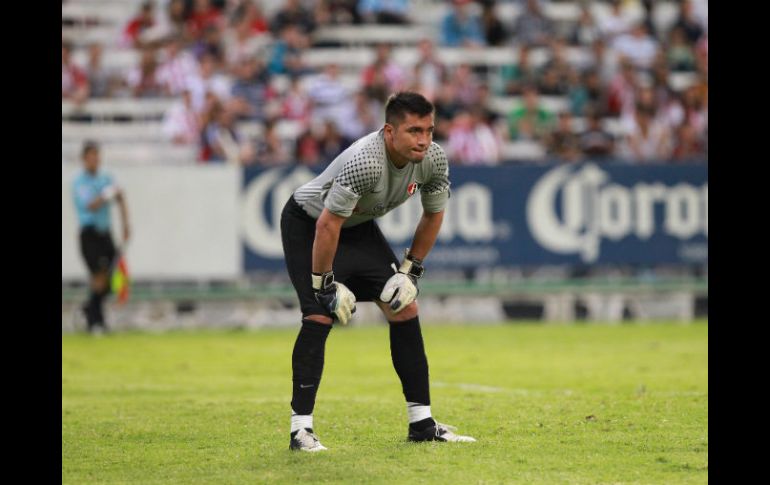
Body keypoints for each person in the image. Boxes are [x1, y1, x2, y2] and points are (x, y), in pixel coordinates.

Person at [280, 91, 476, 451]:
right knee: (319, 315)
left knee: (404, 306)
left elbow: (434, 214)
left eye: (429, 130)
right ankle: (300, 431)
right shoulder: (366, 161)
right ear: (389, 132)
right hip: (309, 224)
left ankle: (422, 424)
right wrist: (325, 285)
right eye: (414, 130)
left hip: (357, 227)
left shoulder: (434, 158)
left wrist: (410, 271)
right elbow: (327, 225)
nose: (423, 140)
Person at [72, 141, 130, 334]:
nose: (95, 160)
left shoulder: (106, 177)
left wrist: (126, 224)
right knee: (98, 276)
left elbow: (120, 197)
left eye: (97, 156)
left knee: (112, 278)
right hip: (89, 233)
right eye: (91, 156)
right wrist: (107, 194)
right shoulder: (79, 182)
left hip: (105, 233)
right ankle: (95, 321)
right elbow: (91, 205)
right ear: (84, 159)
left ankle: (90, 309)